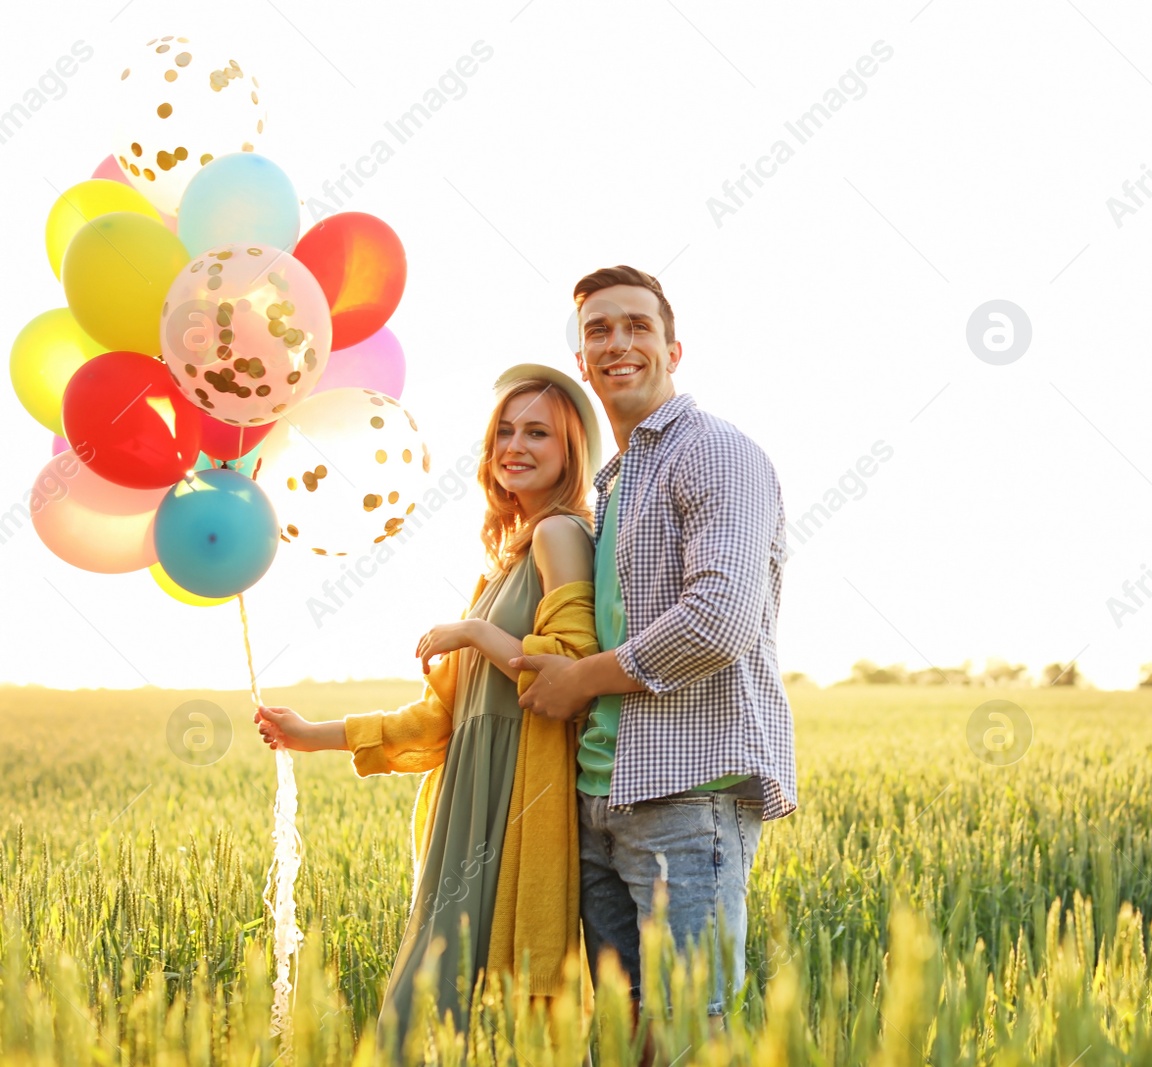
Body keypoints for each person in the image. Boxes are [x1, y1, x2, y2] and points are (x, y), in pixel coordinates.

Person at [252, 365, 603, 1041]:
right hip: (466, 803)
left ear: (569, 450)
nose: (515, 446)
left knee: (473, 994)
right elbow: (436, 722)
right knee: (435, 986)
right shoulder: (500, 561)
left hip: (518, 801)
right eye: (504, 430)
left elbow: (570, 668)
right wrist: (308, 733)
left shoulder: (560, 534)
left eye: (538, 432)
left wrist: (475, 631)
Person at [513, 265, 798, 1020]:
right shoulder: (615, 483)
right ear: (582, 361)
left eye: (637, 326)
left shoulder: (714, 450)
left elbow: (721, 615)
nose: (618, 343)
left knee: (685, 1031)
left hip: (687, 796)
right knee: (621, 1032)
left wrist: (582, 681)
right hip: (601, 796)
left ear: (674, 349)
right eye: (598, 331)